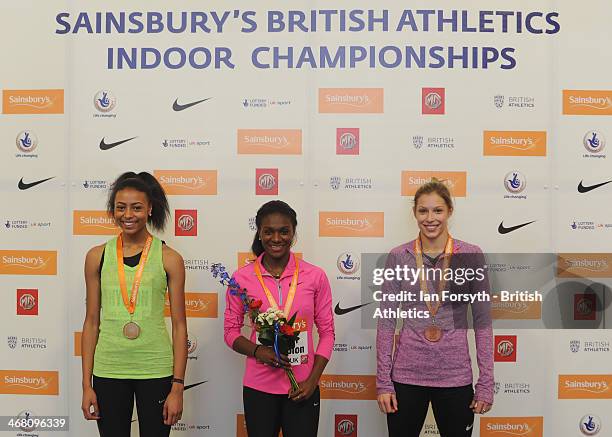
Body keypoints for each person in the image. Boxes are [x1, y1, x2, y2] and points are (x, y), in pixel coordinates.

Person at [376, 179, 494, 437]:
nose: (430, 218)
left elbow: (483, 322)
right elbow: (386, 322)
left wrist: (486, 383)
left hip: (455, 377)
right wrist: (384, 382)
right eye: (423, 211)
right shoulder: (399, 256)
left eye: (438, 210)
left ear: (450, 211)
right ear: (415, 213)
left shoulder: (471, 255)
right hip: (406, 376)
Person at [81, 171, 187, 437]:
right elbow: (92, 321)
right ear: (113, 210)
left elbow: (180, 325)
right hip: (109, 369)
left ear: (150, 209)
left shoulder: (169, 258)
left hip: (156, 368)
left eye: (137, 207)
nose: (128, 214)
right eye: (121, 207)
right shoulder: (97, 256)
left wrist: (177, 386)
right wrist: (86, 384)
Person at [224, 200, 335, 437]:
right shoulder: (241, 278)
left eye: (284, 231)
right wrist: (257, 351)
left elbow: (327, 333)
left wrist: (313, 380)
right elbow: (230, 332)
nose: (276, 238)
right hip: (259, 387)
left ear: (293, 233)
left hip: (303, 387)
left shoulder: (315, 276)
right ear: (259, 233)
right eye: (269, 231)